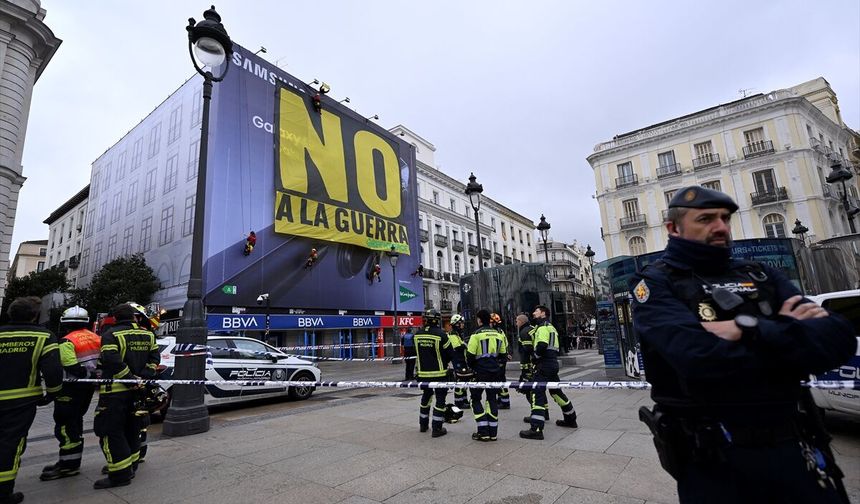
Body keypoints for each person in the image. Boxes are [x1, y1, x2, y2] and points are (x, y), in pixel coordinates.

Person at [632, 185, 857, 504]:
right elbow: (698, 358)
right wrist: (789, 333)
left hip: (795, 446)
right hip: (715, 459)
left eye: (725, 218)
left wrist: (743, 329)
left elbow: (838, 339)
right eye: (706, 219)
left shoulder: (760, 274)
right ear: (674, 228)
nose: (721, 226)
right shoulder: (656, 282)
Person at [0, 297, 62, 504]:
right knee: (11, 444)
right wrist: (52, 393)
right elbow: (52, 370)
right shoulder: (44, 336)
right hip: (21, 402)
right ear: (35, 315)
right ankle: (3, 492)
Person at [93, 302, 160, 490]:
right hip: (139, 392)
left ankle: (120, 474)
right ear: (134, 317)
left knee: (110, 431)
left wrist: (129, 379)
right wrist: (144, 376)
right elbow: (155, 359)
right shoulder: (148, 335)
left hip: (115, 393)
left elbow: (112, 360)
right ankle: (131, 465)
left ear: (115, 318)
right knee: (133, 428)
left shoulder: (110, 335)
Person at [40, 306, 101, 481]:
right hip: (87, 388)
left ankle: (68, 466)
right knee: (76, 422)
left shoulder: (67, 341)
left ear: (65, 324)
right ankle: (70, 462)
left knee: (66, 426)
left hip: (70, 389)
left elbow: (72, 367)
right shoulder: (97, 338)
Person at [520, 304, 578, 440]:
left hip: (544, 364)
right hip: (552, 363)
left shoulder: (542, 328)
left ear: (543, 314)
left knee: (536, 393)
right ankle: (571, 419)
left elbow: (541, 345)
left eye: (536, 311)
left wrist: (535, 356)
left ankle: (536, 428)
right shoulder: (551, 327)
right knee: (556, 391)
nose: (534, 313)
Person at [466, 309, 507, 441]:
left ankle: (483, 431)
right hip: (495, 372)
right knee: (492, 399)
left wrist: (473, 368)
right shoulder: (498, 334)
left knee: (475, 399)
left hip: (479, 372)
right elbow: (503, 355)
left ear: (479, 320)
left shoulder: (476, 335)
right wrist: (497, 366)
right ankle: (493, 433)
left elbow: (470, 356)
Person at [414, 309, 453, 437]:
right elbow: (450, 353)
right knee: (440, 400)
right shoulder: (441, 335)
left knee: (426, 397)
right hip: (439, 374)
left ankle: (423, 425)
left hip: (423, 374)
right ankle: (437, 428)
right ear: (437, 320)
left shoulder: (417, 334)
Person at [515, 313, 546, 423]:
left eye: (517, 321)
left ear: (521, 322)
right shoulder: (533, 328)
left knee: (529, 391)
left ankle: (536, 413)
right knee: (539, 389)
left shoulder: (523, 332)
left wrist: (526, 367)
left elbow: (527, 349)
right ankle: (544, 412)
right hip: (537, 363)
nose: (516, 323)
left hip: (528, 365)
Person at [448, 314, 470, 410]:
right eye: (461, 323)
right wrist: (465, 345)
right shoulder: (453, 334)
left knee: (464, 381)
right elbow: (457, 347)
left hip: (461, 361)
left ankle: (464, 400)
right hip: (458, 361)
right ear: (456, 324)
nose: (463, 325)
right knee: (460, 381)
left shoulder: (457, 334)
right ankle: (459, 402)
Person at [489, 312, 511, 409]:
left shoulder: (494, 333)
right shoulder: (500, 331)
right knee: (500, 379)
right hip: (501, 358)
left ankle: (504, 401)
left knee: (500, 379)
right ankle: (502, 399)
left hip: (498, 359)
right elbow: (506, 344)